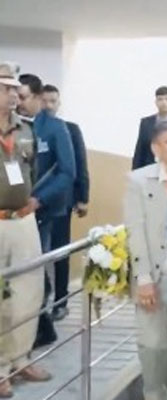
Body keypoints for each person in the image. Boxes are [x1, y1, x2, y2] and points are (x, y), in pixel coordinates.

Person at [124, 121, 167, 400]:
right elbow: (135, 231)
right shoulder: (138, 181)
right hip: (153, 282)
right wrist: (144, 279)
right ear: (156, 148)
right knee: (154, 349)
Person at [0, 61, 51, 398]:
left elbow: (34, 168)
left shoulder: (26, 129)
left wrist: (34, 199)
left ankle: (21, 359)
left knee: (29, 291)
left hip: (23, 220)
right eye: (5, 88)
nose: (13, 94)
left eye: (14, 88)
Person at [18, 73, 75, 348]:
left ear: (38, 98)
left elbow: (67, 172)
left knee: (36, 268)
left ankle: (41, 327)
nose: (18, 102)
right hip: (15, 213)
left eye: (23, 97)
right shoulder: (15, 127)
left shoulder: (54, 128)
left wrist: (39, 199)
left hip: (44, 211)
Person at [41, 84, 90, 321]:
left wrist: (83, 198)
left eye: (53, 101)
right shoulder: (32, 128)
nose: (48, 105)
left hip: (63, 201)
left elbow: (80, 163)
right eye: (45, 100)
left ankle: (61, 302)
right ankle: (42, 298)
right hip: (36, 204)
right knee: (38, 253)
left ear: (59, 103)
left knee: (60, 251)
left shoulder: (70, 129)